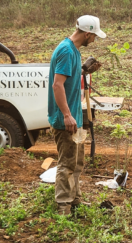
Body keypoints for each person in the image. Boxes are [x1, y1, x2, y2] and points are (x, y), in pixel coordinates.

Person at [48, 15, 106, 215]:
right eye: (94, 36)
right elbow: (58, 85)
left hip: (75, 117)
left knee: (77, 161)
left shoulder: (74, 51)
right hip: (67, 119)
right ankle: (63, 205)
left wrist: (82, 72)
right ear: (87, 33)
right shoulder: (66, 51)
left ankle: (75, 199)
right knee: (67, 163)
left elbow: (68, 79)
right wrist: (66, 115)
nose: (94, 40)